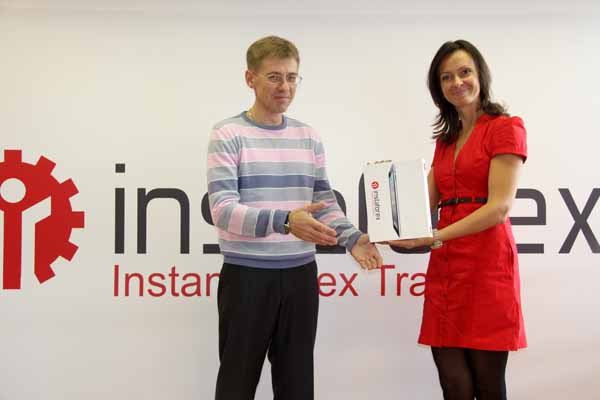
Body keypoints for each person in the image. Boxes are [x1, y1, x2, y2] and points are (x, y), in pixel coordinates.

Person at [206, 35, 382, 400]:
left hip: (300, 276)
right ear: (250, 78)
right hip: (247, 277)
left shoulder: (308, 137)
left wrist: (353, 238)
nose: (284, 87)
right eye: (274, 77)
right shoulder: (228, 134)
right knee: (237, 384)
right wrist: (286, 221)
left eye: (291, 77)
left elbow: (324, 202)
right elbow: (222, 210)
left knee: (297, 385)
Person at [388, 39, 527, 400]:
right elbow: (422, 204)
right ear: (438, 88)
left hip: (486, 262)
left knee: (487, 384)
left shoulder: (505, 127)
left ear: (481, 75)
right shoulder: (446, 140)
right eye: (446, 77)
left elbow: (499, 208)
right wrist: (386, 209)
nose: (457, 82)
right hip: (447, 265)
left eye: (465, 72)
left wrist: (435, 236)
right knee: (453, 383)